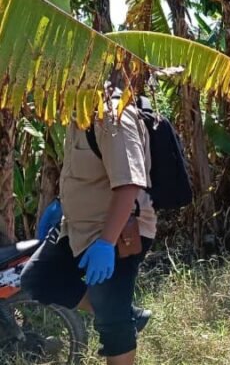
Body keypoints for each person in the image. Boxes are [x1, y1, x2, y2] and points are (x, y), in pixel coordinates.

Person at [21, 81, 156, 365]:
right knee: (40, 278)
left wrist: (106, 243)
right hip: (76, 228)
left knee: (112, 325)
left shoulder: (111, 115)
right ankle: (122, 310)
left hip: (115, 232)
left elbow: (129, 184)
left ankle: (118, 313)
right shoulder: (79, 113)